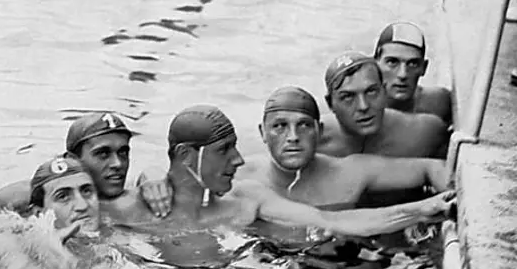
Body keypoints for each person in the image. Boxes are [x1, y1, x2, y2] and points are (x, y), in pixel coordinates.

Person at [105, 104, 455, 237]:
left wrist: (422, 210)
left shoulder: (247, 200)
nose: (239, 161)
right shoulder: (127, 212)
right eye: (224, 151)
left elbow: (334, 222)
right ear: (186, 156)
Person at [241, 86, 447, 208]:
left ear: (319, 131)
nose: (293, 137)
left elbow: (431, 168)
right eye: (280, 126)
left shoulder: (351, 172)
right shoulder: (240, 178)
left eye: (304, 125)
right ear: (262, 133)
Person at [0, 111, 174, 218]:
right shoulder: (48, 196)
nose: (118, 164)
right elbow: (5, 197)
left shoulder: (139, 190)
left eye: (123, 152)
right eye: (103, 154)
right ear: (73, 159)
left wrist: (152, 174)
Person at [319, 51, 449, 159]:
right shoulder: (313, 143)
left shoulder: (424, 133)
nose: (363, 106)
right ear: (330, 104)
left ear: (384, 91)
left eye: (371, 92)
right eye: (348, 97)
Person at [373, 22, 452, 125]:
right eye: (392, 62)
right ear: (375, 65)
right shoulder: (362, 110)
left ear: (424, 68)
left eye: (413, 64)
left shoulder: (439, 103)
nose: (403, 74)